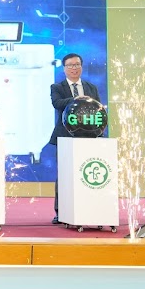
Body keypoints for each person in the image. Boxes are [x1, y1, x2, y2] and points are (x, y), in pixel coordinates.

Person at [49, 52, 102, 224]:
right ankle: (61, 212)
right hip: (65, 136)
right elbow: (57, 103)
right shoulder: (57, 87)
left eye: (77, 64)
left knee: (84, 172)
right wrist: (77, 100)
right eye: (70, 65)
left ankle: (89, 208)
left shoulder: (91, 87)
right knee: (64, 174)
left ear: (81, 66)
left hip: (89, 137)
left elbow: (98, 109)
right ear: (64, 68)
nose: (74, 68)